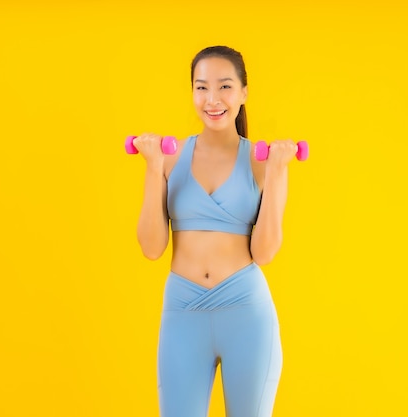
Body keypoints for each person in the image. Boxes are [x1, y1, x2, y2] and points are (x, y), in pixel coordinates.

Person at [131, 45, 299, 417]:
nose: (212, 99)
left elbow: (265, 252)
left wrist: (277, 172)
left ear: (243, 93)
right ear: (192, 92)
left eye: (224, 87)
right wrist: (152, 166)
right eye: (201, 87)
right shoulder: (170, 157)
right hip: (183, 311)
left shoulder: (262, 161)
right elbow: (152, 247)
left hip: (245, 312)